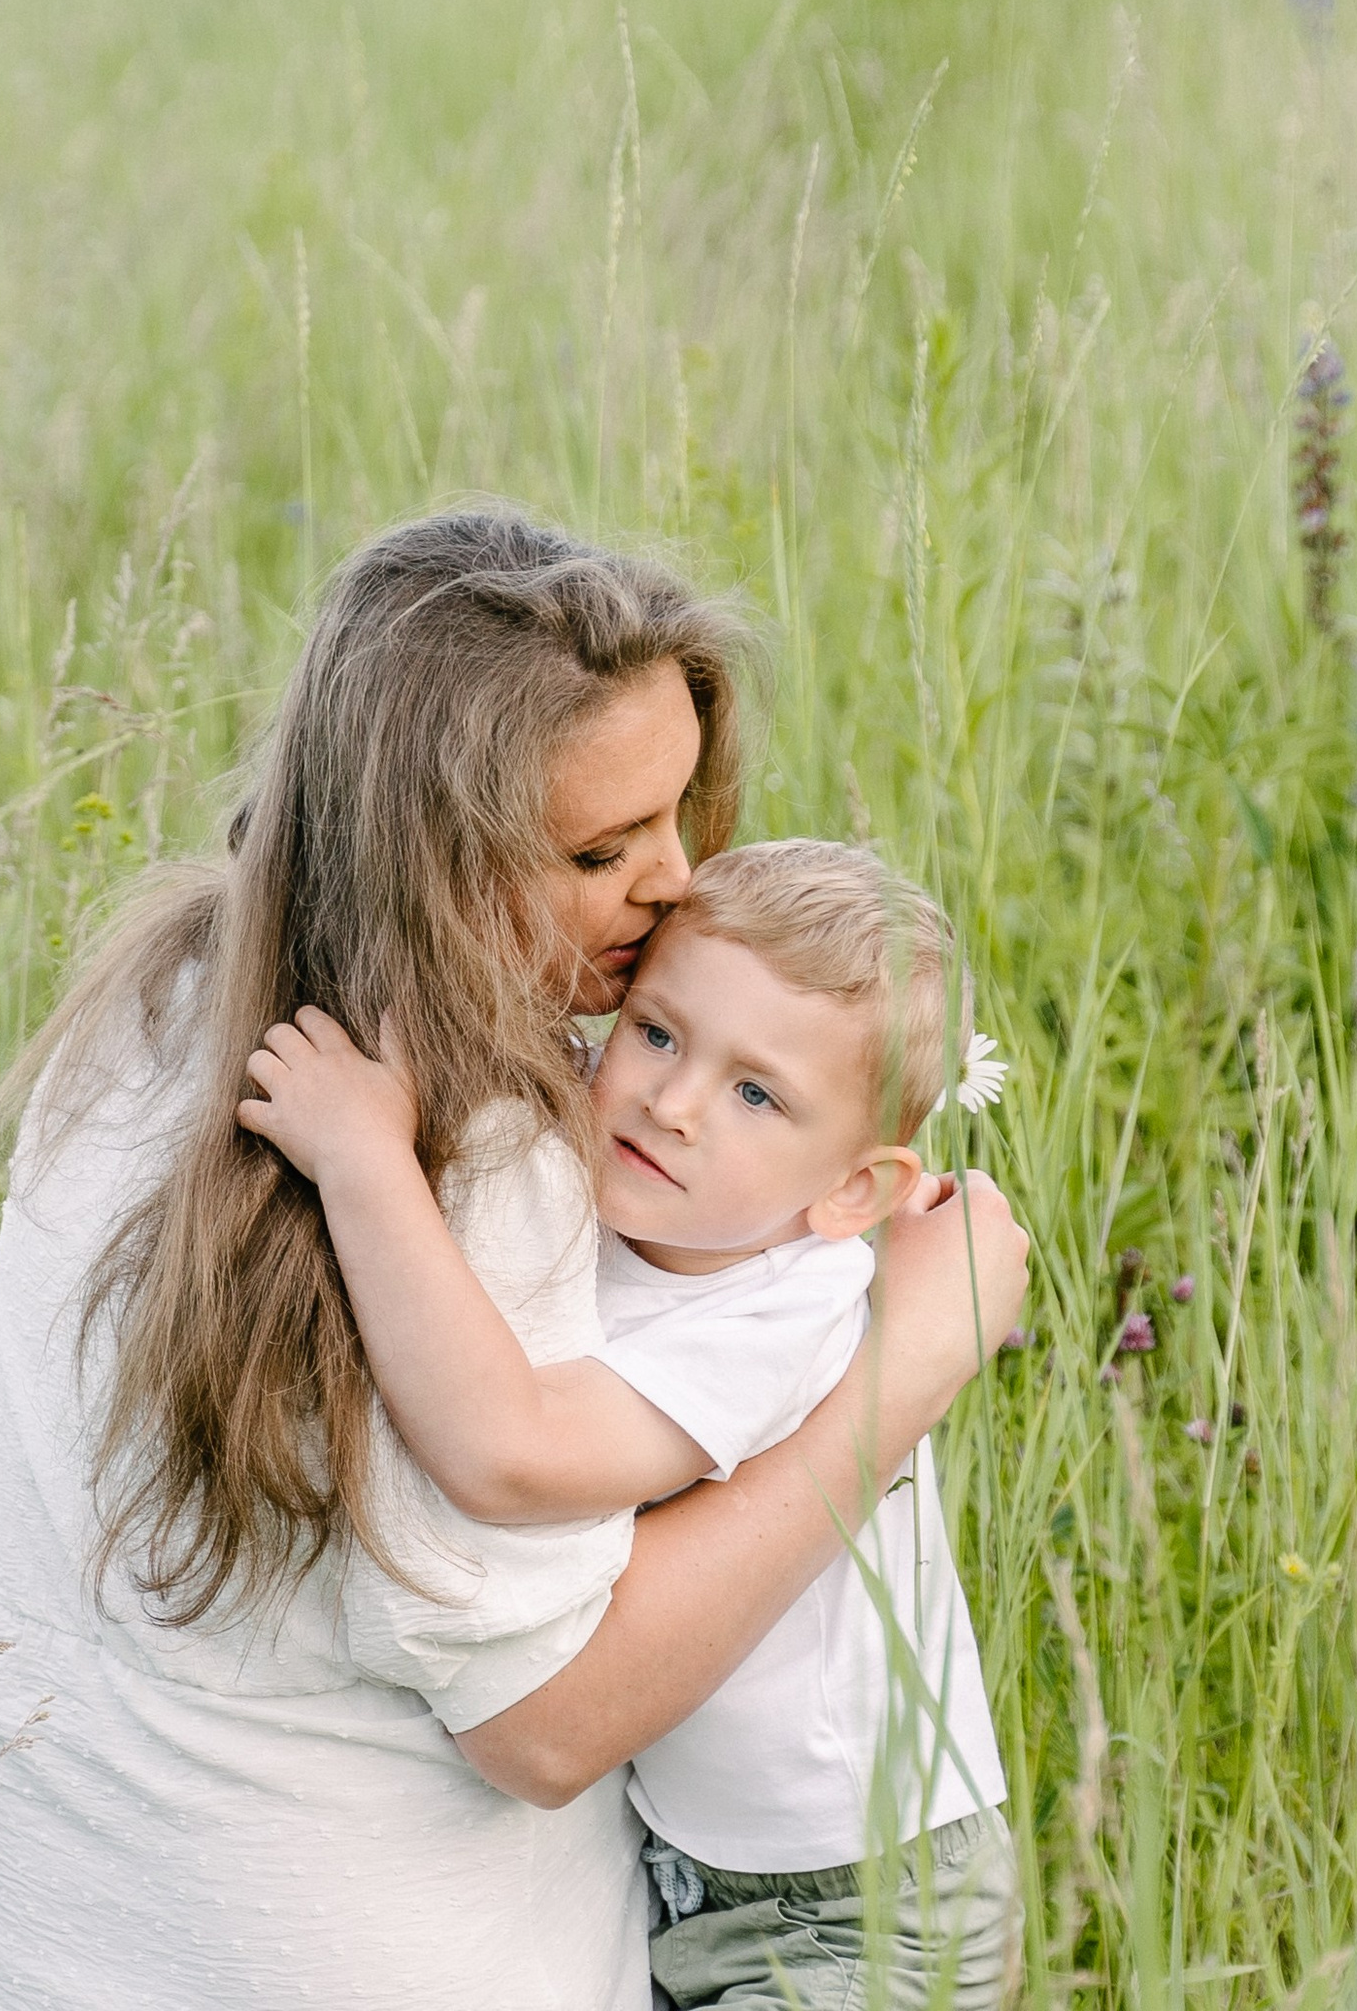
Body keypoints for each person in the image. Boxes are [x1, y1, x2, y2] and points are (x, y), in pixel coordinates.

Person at [0, 507, 1031, 2011]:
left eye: (678, 813)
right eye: (597, 849)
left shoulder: (153, 1000)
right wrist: (914, 1366)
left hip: (19, 1938)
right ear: (433, 858)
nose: (676, 885)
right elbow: (548, 1726)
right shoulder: (467, 1158)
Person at [240, 837, 1021, 2011]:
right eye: (655, 1031)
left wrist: (363, 1159)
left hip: (856, 1905)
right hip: (699, 1866)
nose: (672, 1100)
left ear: (851, 1192)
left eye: (756, 1093)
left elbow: (515, 1455)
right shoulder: (643, 1204)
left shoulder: (785, 1307)